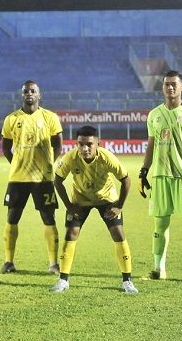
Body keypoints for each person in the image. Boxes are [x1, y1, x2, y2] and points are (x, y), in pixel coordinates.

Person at [50, 126, 137, 294]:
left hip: (106, 199)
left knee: (118, 233)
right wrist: (69, 205)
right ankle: (63, 280)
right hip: (81, 200)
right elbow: (58, 181)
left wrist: (119, 205)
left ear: (98, 143)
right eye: (81, 144)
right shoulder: (70, 158)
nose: (84, 148)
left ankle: (127, 281)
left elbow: (126, 180)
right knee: (71, 234)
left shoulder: (107, 157)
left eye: (89, 144)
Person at [139, 70, 182, 285]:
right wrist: (143, 171)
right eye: (166, 84)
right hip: (160, 177)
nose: (170, 88)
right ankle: (158, 270)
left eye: (174, 84)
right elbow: (150, 145)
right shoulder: (154, 114)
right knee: (159, 225)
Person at [1, 80, 62, 274]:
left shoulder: (50, 117)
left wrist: (50, 163)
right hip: (18, 178)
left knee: (48, 218)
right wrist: (17, 163)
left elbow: (58, 144)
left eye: (33, 91)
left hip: (42, 179)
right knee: (12, 217)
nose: (29, 94)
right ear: (22, 95)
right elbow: (5, 147)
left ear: (39, 95)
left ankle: (53, 263)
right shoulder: (11, 119)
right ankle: (8, 262)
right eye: (26, 91)